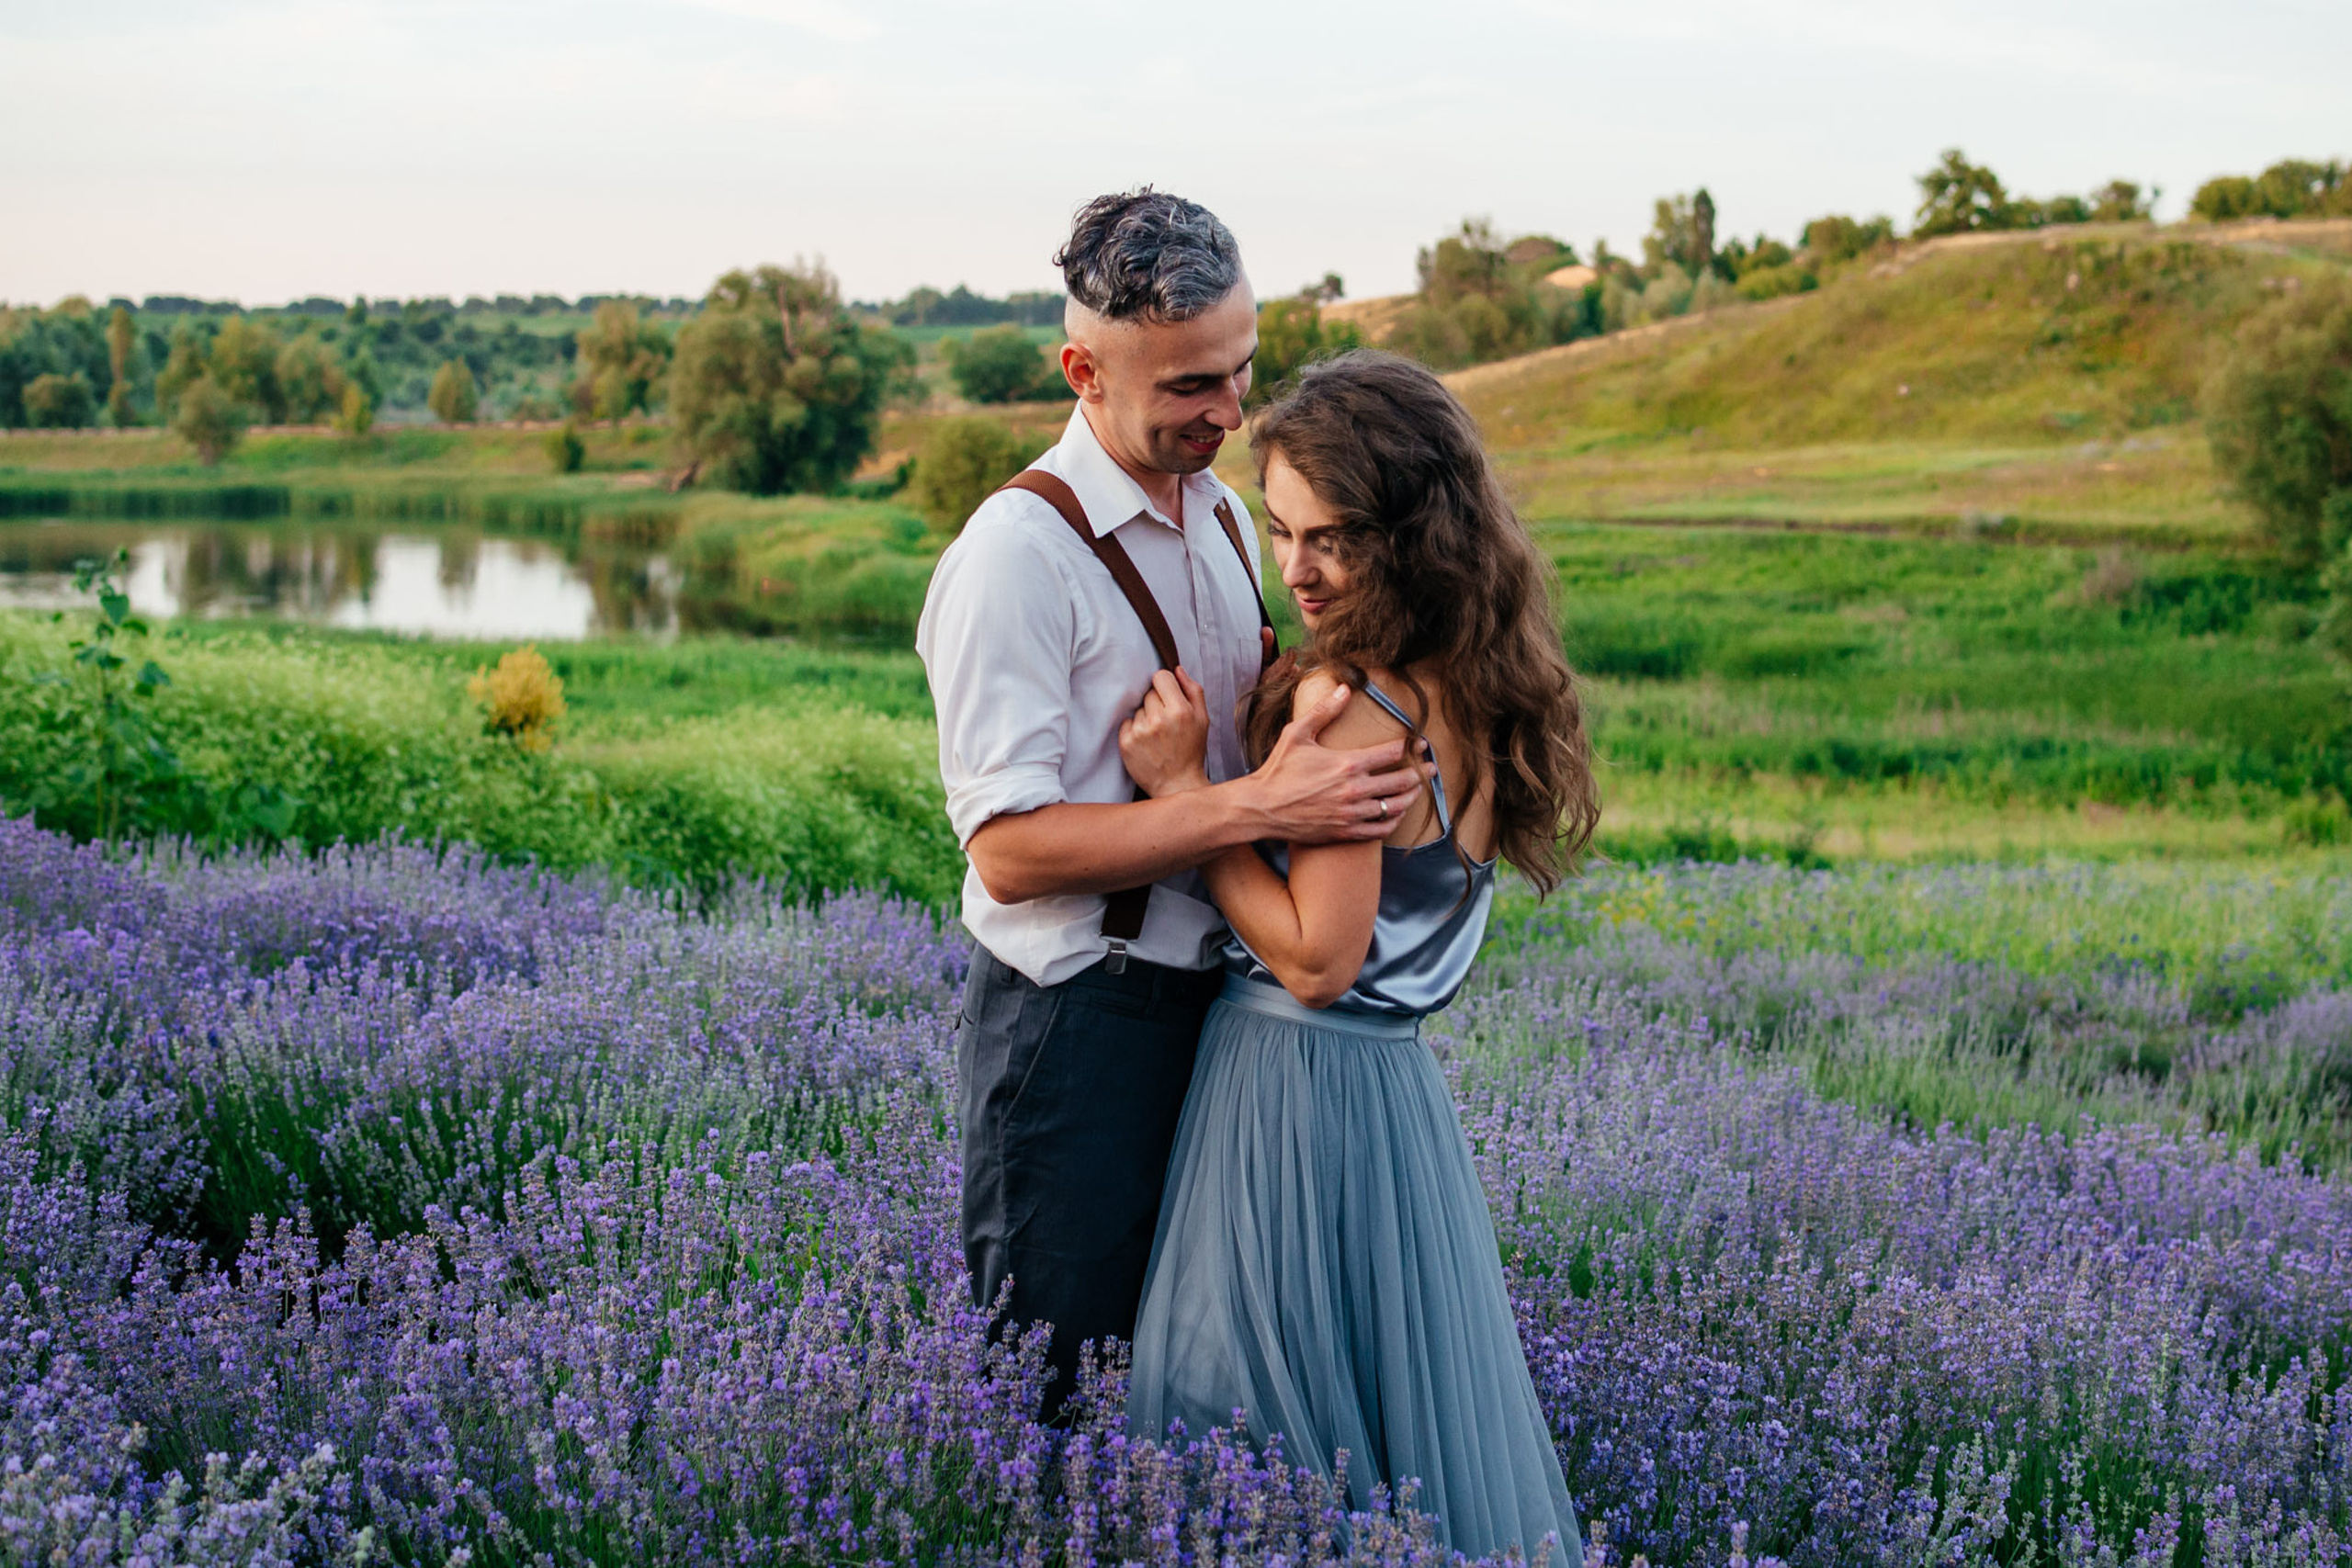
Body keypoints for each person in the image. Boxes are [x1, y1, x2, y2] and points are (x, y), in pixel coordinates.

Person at [914, 191, 1432, 1421]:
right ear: (1083, 371)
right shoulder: (1014, 559)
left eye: (1242, 371)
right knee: (1051, 1399)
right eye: (1191, 386)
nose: (1232, 412)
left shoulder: (1222, 517)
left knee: (1183, 1399)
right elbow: (1010, 854)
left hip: (1221, 1019)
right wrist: (1238, 799)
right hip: (1076, 1034)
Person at [1119, 350, 1601, 1562]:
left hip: (1292, 1088)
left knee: (1239, 1421)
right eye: (1280, 532)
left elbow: (1318, 959)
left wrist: (1191, 792)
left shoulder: (1362, 706)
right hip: (1392, 1102)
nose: (1297, 570)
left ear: (1411, 534)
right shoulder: (1479, 682)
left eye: (1330, 539)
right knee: (1397, 1434)